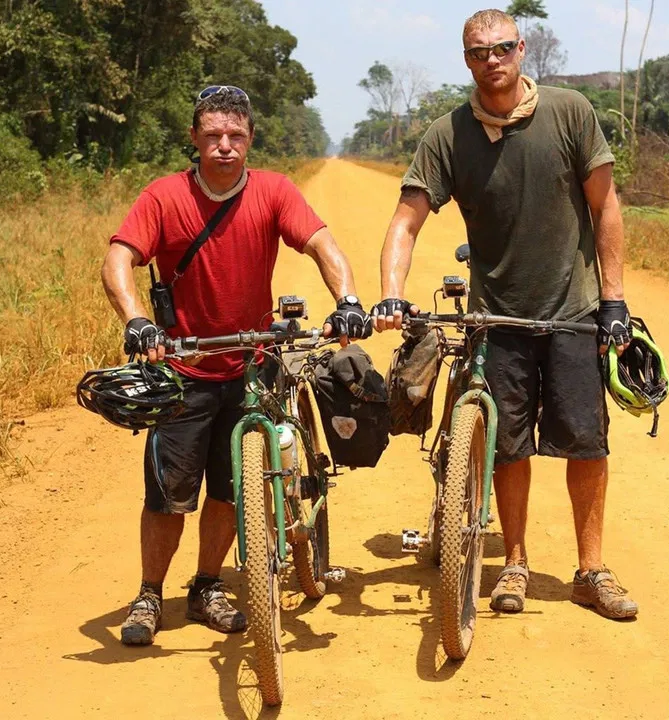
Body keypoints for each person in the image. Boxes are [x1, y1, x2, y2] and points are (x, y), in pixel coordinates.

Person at [372, 9, 639, 620]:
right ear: (466, 60)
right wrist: (390, 294)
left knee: (586, 442)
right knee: (507, 445)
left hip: (574, 313)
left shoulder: (570, 112)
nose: (491, 60)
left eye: (501, 48)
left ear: (522, 49)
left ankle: (591, 571)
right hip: (496, 320)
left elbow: (606, 207)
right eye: (478, 52)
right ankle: (514, 561)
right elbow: (406, 221)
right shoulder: (448, 135)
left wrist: (615, 301)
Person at [101, 85, 372, 646]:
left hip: (253, 367)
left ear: (250, 138)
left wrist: (347, 301)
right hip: (183, 369)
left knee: (230, 490)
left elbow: (322, 245)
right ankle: (150, 594)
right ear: (194, 138)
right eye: (213, 135)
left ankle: (206, 587)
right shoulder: (164, 197)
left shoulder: (274, 191)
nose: (224, 146)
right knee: (168, 493)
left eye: (235, 135)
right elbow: (119, 259)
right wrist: (137, 321)